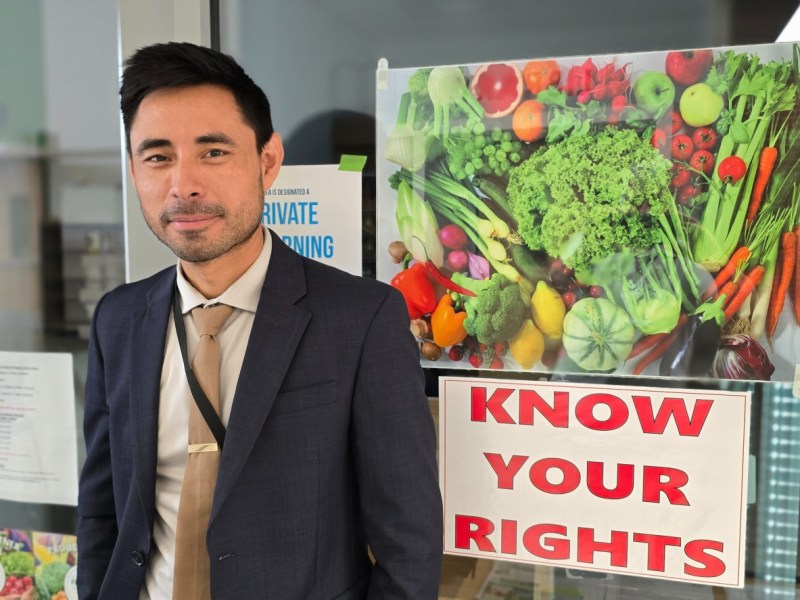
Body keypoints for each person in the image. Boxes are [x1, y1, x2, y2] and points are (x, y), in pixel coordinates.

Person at [77, 41, 443, 599]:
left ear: (268, 161)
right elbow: (103, 510)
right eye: (157, 156)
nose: (183, 185)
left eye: (213, 152)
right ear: (133, 169)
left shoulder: (361, 319)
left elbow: (408, 544)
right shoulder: (118, 320)